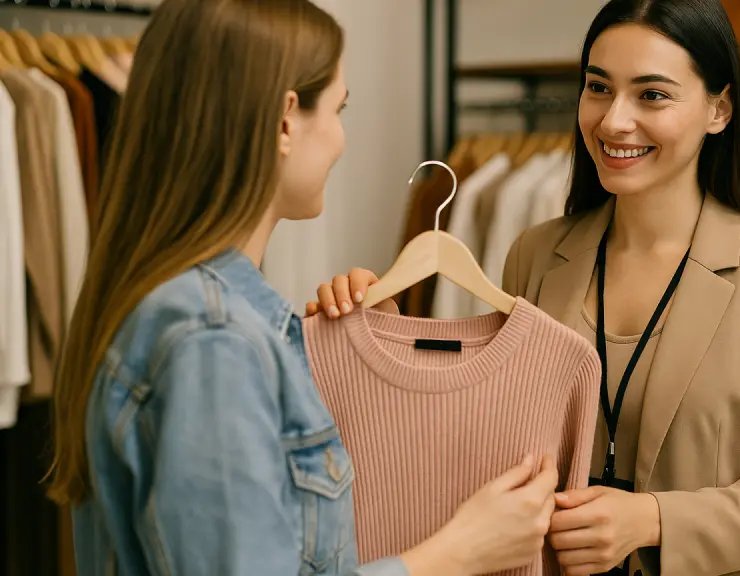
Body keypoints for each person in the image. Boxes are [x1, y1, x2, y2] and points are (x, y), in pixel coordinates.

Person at [312, 0, 740, 575]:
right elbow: (488, 446)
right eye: (598, 88)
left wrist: (651, 520)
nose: (614, 121)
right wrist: (382, 338)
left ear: (719, 110)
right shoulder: (536, 254)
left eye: (652, 94)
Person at [46, 1, 560, 575]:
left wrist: (345, 364)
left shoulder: (198, 316)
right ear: (286, 122)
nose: (341, 139)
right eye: (340, 109)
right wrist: (457, 552)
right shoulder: (213, 340)